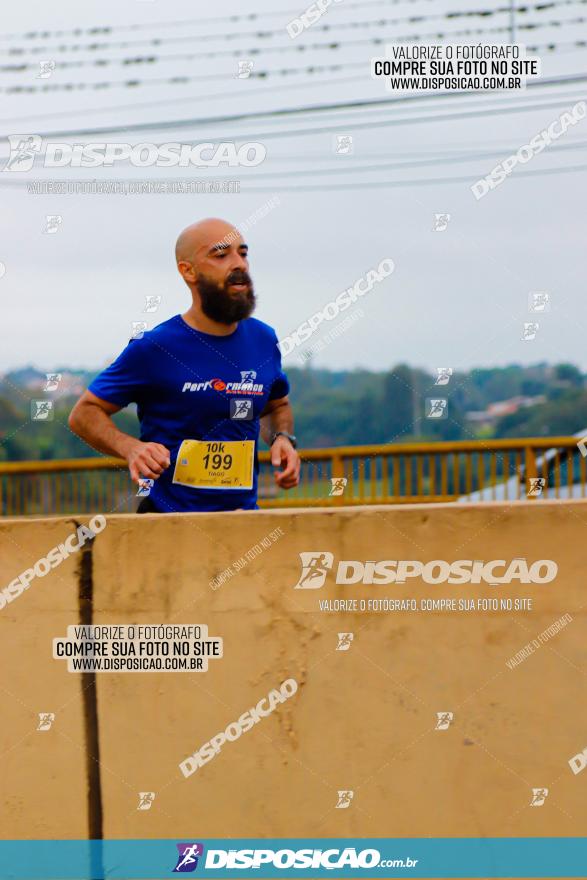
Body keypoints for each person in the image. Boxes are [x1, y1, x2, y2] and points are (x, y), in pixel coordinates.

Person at [68, 217, 300, 513]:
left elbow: (277, 406)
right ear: (188, 271)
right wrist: (131, 449)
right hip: (168, 526)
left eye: (242, 253)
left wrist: (282, 439)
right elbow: (84, 413)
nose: (238, 263)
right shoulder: (155, 347)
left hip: (242, 524)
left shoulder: (263, 339)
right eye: (220, 255)